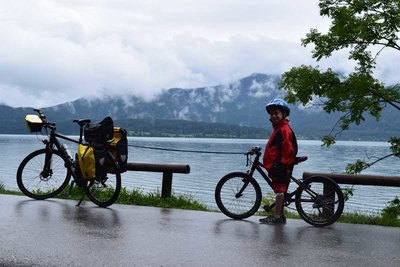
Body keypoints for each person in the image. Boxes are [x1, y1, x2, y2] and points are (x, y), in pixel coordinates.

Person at [259, 98, 298, 225]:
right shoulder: (279, 127)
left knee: (280, 190)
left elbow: (286, 148)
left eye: (276, 113)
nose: (274, 116)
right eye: (272, 114)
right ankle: (280, 215)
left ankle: (277, 217)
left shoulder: (283, 129)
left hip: (280, 165)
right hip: (277, 165)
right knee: (279, 189)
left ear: (283, 114)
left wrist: (280, 164)